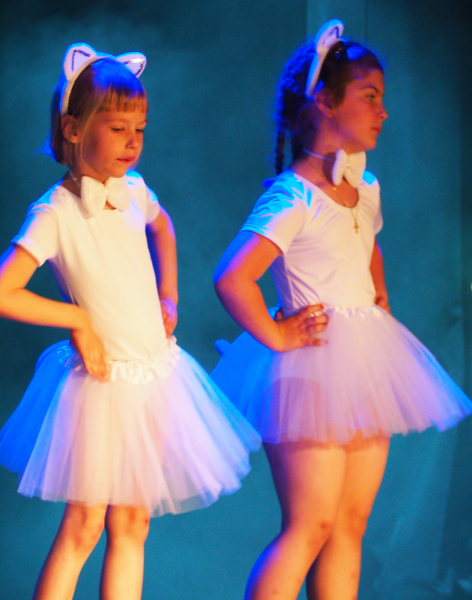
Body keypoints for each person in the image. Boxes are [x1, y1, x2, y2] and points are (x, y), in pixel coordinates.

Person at [0, 43, 260, 600]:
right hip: (103, 386)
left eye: (140, 129)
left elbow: (164, 227)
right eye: (117, 128)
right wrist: (78, 320)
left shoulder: (134, 189)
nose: (133, 141)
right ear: (73, 128)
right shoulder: (55, 212)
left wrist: (168, 294)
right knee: (83, 526)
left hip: (154, 378)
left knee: (132, 524)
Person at [211, 20, 472, 600]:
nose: (383, 112)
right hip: (313, 367)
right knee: (311, 525)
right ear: (325, 103)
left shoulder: (365, 186)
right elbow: (232, 278)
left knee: (350, 526)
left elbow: (367, 240)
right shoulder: (292, 196)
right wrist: (278, 337)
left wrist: (379, 293)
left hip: (365, 359)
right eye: (369, 97)